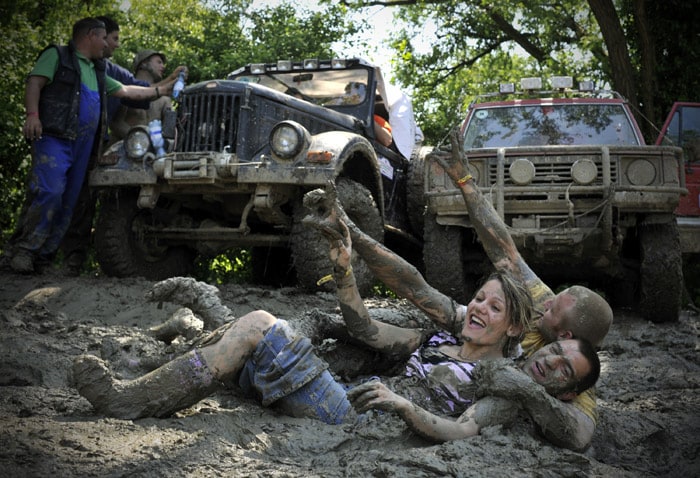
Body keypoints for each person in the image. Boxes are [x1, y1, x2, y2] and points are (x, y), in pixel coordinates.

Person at [320, 130, 612, 450]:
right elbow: (498, 249)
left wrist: (528, 392)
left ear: (566, 338)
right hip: (451, 347)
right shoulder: (534, 306)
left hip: (460, 384)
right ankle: (331, 323)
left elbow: (578, 434)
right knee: (407, 322)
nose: (545, 300)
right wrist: (464, 181)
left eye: (553, 309)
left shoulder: (571, 370)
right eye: (552, 297)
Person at [2, 17, 175, 274]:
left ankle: (43, 258)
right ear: (90, 36)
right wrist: (32, 116)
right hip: (54, 137)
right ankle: (22, 250)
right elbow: (34, 83)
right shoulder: (57, 56)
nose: (107, 44)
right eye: (104, 38)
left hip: (84, 146)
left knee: (71, 202)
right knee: (49, 191)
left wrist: (163, 89)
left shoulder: (97, 70)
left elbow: (128, 92)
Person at [59, 16, 186, 276]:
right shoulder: (111, 73)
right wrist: (135, 141)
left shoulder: (159, 98)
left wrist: (158, 146)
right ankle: (70, 259)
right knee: (87, 203)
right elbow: (118, 117)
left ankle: (85, 259)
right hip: (119, 154)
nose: (163, 65)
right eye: (158, 61)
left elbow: (167, 123)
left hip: (154, 158)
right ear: (143, 62)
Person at [108, 49, 173, 143]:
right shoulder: (126, 90)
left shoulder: (164, 98)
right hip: (123, 149)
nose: (163, 67)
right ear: (143, 64)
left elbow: (169, 130)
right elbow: (115, 123)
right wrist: (139, 139)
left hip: (153, 153)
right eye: (159, 62)